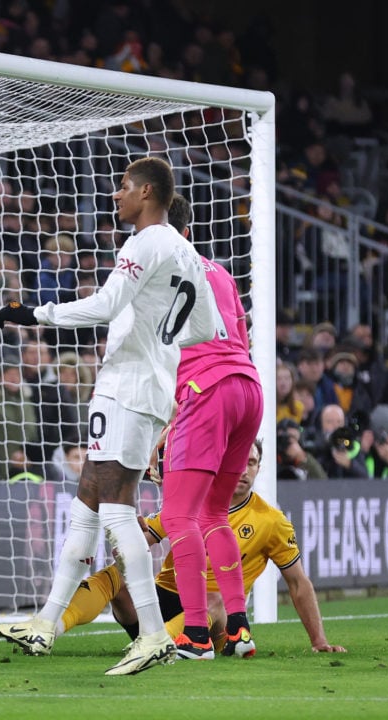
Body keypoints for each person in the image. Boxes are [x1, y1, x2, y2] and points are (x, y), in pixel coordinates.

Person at [0, 157, 216, 675]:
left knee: (115, 509)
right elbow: (206, 326)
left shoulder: (145, 241)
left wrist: (35, 314)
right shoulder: (187, 252)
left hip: (127, 387)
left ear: (146, 192)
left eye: (122, 188)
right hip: (147, 385)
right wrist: (158, 341)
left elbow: (106, 304)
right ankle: (46, 622)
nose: (116, 196)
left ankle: (155, 636)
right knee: (88, 505)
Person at [50, 440, 347, 655]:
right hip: (163, 603)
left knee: (215, 597)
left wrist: (318, 640)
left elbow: (298, 583)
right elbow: (141, 542)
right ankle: (48, 628)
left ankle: (158, 646)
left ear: (259, 468)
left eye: (251, 463)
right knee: (117, 575)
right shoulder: (189, 502)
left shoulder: (271, 521)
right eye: (238, 460)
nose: (243, 470)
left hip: (214, 620)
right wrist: (128, 538)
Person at [141, 193, 264, 660]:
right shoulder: (221, 272)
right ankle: (237, 629)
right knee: (214, 513)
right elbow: (237, 337)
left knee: (177, 516)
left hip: (203, 390)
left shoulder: (153, 273)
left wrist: (160, 430)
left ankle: (194, 632)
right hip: (247, 388)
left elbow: (160, 359)